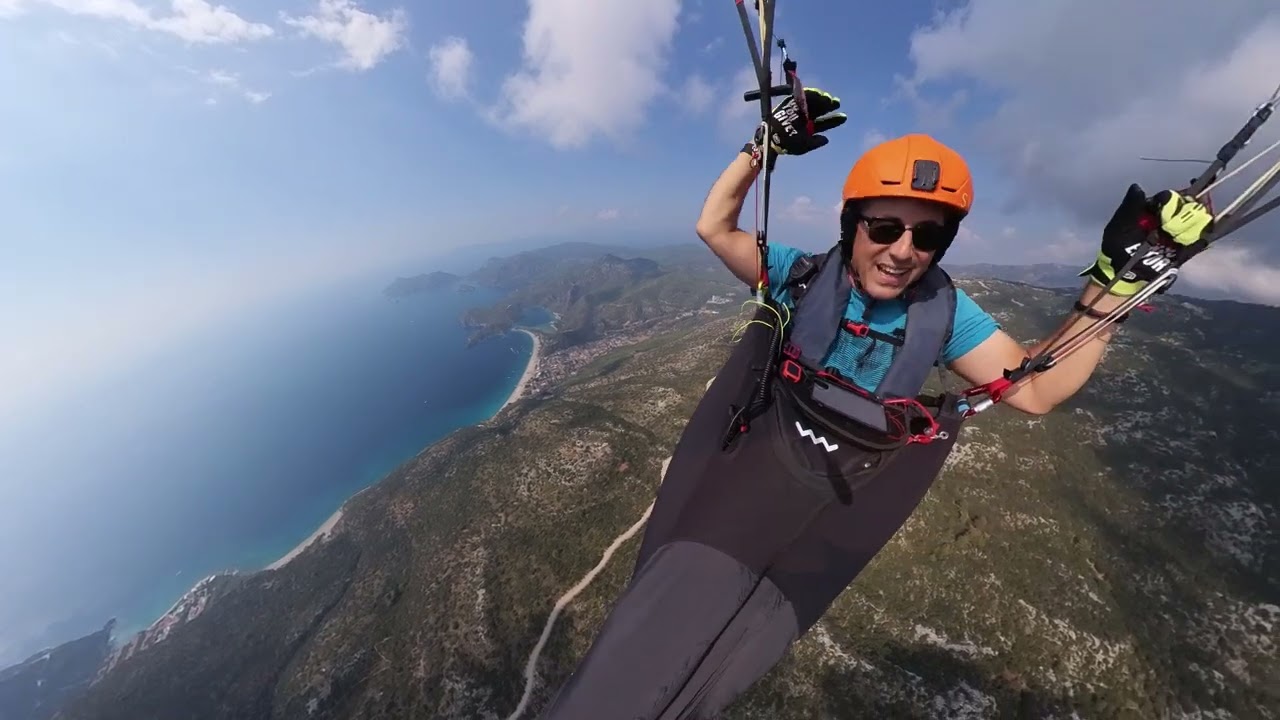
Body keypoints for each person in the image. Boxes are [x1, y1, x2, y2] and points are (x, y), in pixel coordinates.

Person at [538, 88, 1213, 720]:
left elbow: (1034, 388)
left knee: (716, 676)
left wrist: (1114, 287)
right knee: (637, 663)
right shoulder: (801, 275)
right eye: (885, 228)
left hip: (840, 500)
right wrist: (761, 150)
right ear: (851, 226)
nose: (902, 251)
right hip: (754, 473)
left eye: (927, 238)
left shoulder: (946, 316)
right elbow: (715, 228)